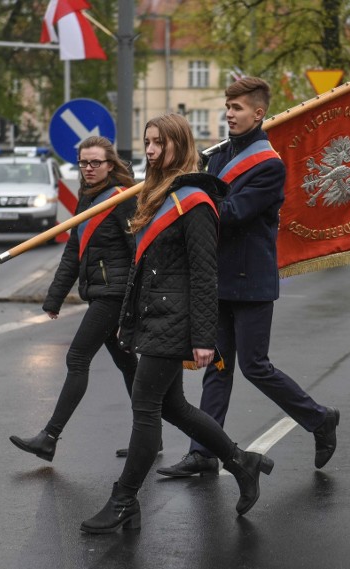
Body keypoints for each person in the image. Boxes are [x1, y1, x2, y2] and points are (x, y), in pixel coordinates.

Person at [80, 113, 274, 534]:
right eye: (147, 142)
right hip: (155, 318)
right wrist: (128, 321)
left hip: (176, 320)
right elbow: (147, 266)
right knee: (173, 407)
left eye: (158, 143)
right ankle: (243, 462)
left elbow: (205, 274)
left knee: (145, 407)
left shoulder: (196, 201)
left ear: (178, 145)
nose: (149, 151)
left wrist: (203, 336)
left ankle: (124, 499)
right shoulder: (159, 194)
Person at [155, 77, 339, 480]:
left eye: (237, 108)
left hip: (252, 281)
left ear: (258, 113)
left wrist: (194, 189)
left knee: (255, 367)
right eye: (227, 107)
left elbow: (232, 212)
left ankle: (320, 419)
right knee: (217, 367)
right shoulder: (220, 157)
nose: (229, 114)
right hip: (218, 278)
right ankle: (203, 452)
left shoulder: (270, 165)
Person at [9, 136, 139, 462]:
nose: (89, 168)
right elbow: (73, 251)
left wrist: (131, 307)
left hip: (114, 295)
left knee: (77, 359)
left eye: (96, 162)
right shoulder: (86, 197)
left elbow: (138, 252)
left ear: (111, 165)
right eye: (84, 162)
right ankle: (150, 437)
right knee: (128, 365)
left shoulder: (121, 198)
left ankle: (49, 437)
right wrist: (54, 297)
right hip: (100, 294)